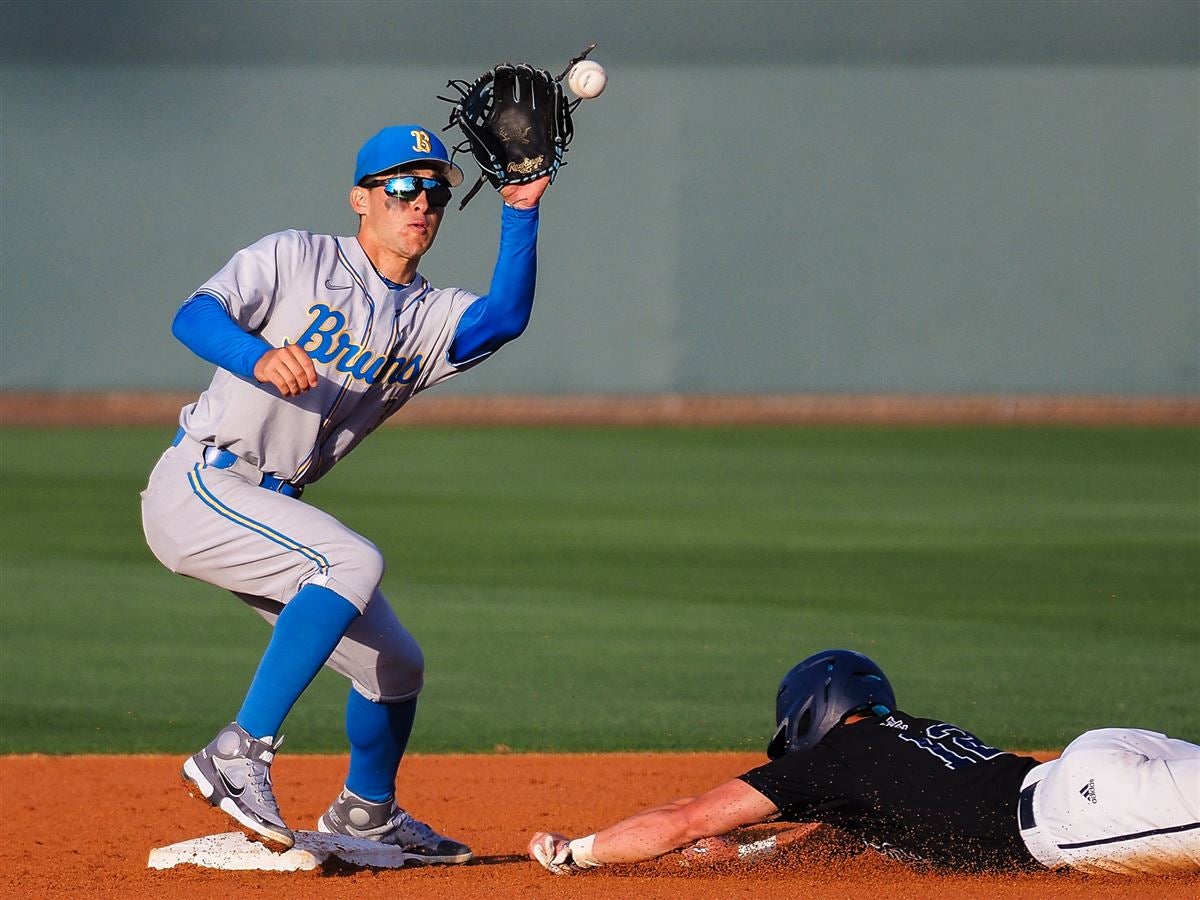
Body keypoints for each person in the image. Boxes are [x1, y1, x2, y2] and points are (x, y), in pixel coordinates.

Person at [140, 123, 551, 861]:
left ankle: (367, 813)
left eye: (433, 190)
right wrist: (257, 357)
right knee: (351, 561)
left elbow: (505, 318)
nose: (418, 203)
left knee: (395, 667)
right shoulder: (297, 256)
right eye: (399, 188)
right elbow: (194, 314)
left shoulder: (426, 317)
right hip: (202, 483)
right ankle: (238, 753)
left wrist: (520, 209)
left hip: (273, 506)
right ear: (360, 200)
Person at [528, 649, 1200, 877]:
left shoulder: (831, 761)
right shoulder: (906, 741)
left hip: (1082, 811)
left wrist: (576, 852)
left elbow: (685, 818)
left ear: (809, 714)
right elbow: (845, 838)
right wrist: (748, 858)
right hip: (1098, 761)